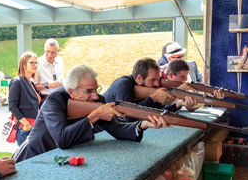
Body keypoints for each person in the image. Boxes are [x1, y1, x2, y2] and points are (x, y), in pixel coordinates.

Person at [13, 65, 170, 163]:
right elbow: (62, 139)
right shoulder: (55, 99)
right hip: (34, 156)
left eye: (96, 89)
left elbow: (116, 129)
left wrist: (143, 124)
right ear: (71, 92)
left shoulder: (95, 100)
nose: (95, 96)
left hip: (59, 159)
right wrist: (94, 116)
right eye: (89, 91)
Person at [103, 57, 198, 119]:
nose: (157, 83)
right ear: (139, 78)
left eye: (158, 79)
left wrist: (179, 103)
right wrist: (153, 98)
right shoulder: (123, 84)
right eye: (152, 80)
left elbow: (159, 109)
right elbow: (127, 118)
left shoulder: (143, 87)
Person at [9, 51, 41, 146]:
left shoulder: (30, 83)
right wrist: (26, 124)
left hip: (34, 127)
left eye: (36, 63)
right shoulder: (17, 82)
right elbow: (12, 107)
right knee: (26, 159)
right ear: (23, 65)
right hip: (24, 128)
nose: (35, 65)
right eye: (32, 62)